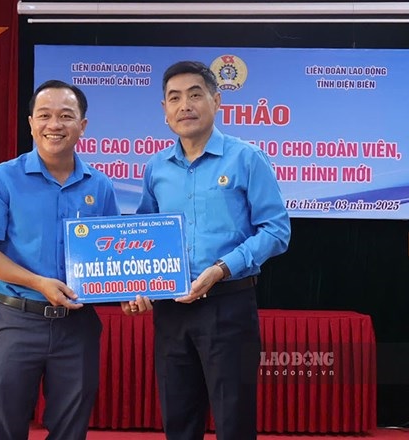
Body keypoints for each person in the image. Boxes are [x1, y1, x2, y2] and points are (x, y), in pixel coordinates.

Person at [123, 61, 291, 440]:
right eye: (174, 98)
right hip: (170, 310)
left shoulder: (246, 158)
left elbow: (277, 230)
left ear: (216, 102)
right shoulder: (156, 168)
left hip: (228, 306)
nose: (185, 105)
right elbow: (144, 236)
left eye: (195, 95)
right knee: (179, 421)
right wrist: (138, 284)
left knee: (234, 421)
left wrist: (221, 268)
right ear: (165, 111)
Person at [0, 80, 120, 440]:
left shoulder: (100, 185)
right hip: (17, 321)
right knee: (6, 428)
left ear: (82, 125)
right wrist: (37, 282)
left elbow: (113, 257)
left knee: (70, 430)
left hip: (78, 327)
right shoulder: (3, 177)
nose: (55, 125)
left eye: (66, 116)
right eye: (45, 115)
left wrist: (130, 291)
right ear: (31, 123)